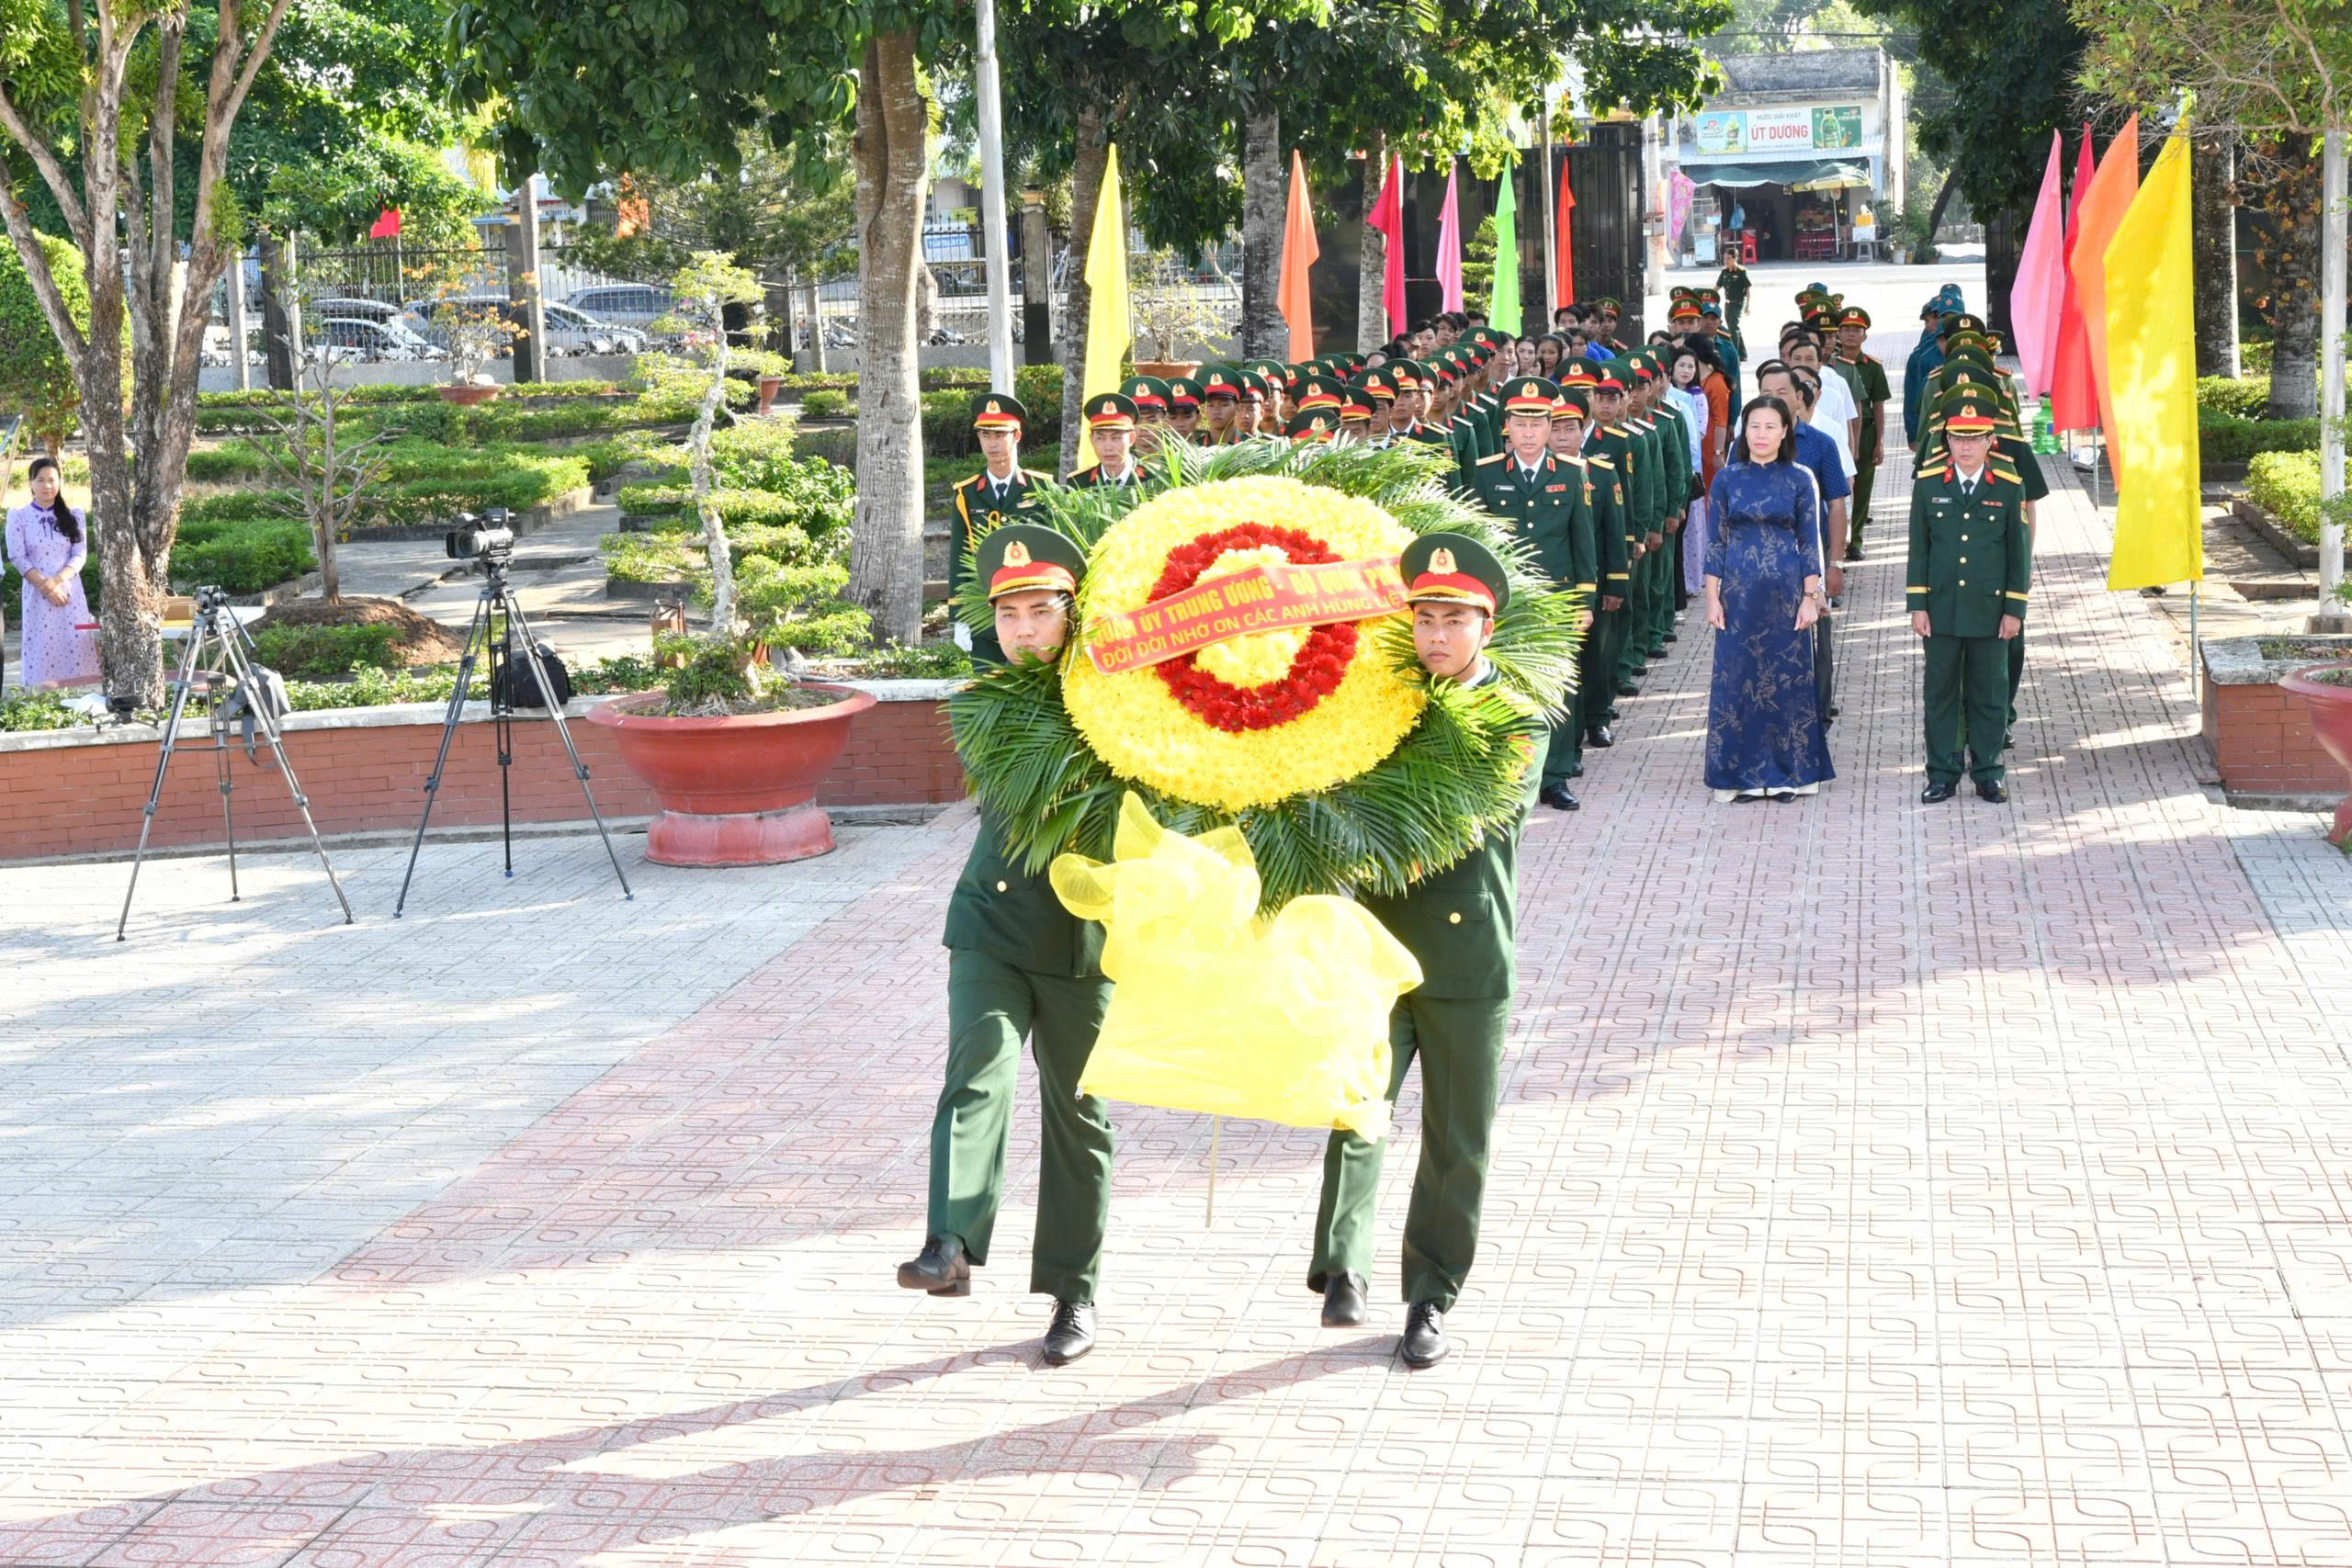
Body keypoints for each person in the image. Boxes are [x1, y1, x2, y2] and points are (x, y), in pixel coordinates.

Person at [1308, 533, 1539, 1369]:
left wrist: (1369, 812)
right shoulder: (1376, 705)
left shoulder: (1515, 718)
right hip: (1377, 940)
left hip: (1466, 953)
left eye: (1453, 619)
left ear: (1487, 626)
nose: (1436, 635)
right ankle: (1345, 1266)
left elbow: (1467, 814)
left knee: (1456, 1135)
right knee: (1359, 1101)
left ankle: (1430, 1294)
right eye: (1424, 619)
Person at [904, 524, 1116, 1368]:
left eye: (1041, 611)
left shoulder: (1127, 701)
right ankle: (949, 1240)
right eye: (1010, 614)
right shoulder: (984, 702)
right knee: (977, 1074)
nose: (1024, 629)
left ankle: (1075, 1293)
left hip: (1086, 942)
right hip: (992, 924)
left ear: (1073, 614)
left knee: (1079, 1116)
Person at [1464, 377, 1593, 811]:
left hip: (1556, 599)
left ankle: (1555, 775)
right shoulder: (1485, 473)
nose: (1530, 433)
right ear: (1508, 427)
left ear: (1549, 426)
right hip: (1507, 599)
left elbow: (1583, 544)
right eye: (1521, 424)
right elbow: (1479, 538)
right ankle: (1508, 772)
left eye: (1538, 424)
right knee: (1505, 684)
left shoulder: (1573, 474)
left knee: (1558, 687)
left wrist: (1585, 602)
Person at [1702, 397, 1834, 803]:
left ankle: (1787, 775)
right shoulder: (1727, 478)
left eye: (1770, 426)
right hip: (1737, 596)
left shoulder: (1800, 479)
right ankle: (1736, 777)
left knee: (1786, 681)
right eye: (1754, 426)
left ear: (1785, 432)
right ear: (1744, 432)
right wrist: (1712, 597)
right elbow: (1716, 543)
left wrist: (1811, 596)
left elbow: (1810, 543)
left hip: (1787, 594)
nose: (1761, 434)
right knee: (1737, 680)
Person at [1907, 396, 2031, 805]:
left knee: (1989, 693)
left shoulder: (2010, 487)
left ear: (1990, 440)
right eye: (1959, 437)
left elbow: (2019, 554)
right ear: (1947, 438)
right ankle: (1941, 772)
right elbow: (1919, 550)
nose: (1966, 446)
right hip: (1940, 608)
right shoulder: (1928, 484)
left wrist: (2015, 610)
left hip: (1990, 610)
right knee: (1939, 693)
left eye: (1975, 438)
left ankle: (1989, 772)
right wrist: (1918, 605)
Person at [947, 396, 1047, 664]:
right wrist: (959, 617)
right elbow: (959, 558)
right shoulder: (966, 494)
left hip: (1032, 607)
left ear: (1016, 436)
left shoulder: (1042, 489)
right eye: (985, 435)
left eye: (999, 435)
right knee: (988, 684)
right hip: (984, 609)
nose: (992, 443)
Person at [7, 456, 101, 689]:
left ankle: (81, 697)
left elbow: (79, 555)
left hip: (70, 592)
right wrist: (45, 586)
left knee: (75, 643)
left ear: (60, 482)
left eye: (52, 480)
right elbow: (17, 556)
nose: (47, 486)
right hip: (37, 595)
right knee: (42, 646)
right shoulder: (18, 517)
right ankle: (41, 700)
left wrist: (57, 582)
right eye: (40, 480)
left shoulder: (75, 515)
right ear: (30, 483)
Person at [1830, 307, 1892, 559]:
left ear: (1865, 335)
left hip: (1865, 432)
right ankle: (1838, 538)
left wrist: (1879, 442)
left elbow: (1878, 405)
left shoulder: (1873, 367)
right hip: (1838, 433)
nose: (1851, 334)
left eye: (1857, 330)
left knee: (1862, 488)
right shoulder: (1832, 365)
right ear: (1838, 334)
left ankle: (1855, 540)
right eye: (1846, 329)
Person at [1068, 392, 1143, 487]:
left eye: (1115, 438)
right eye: (1101, 438)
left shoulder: (1155, 479)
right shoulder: (1077, 484)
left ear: (1131, 439)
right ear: (1091, 440)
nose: (1108, 447)